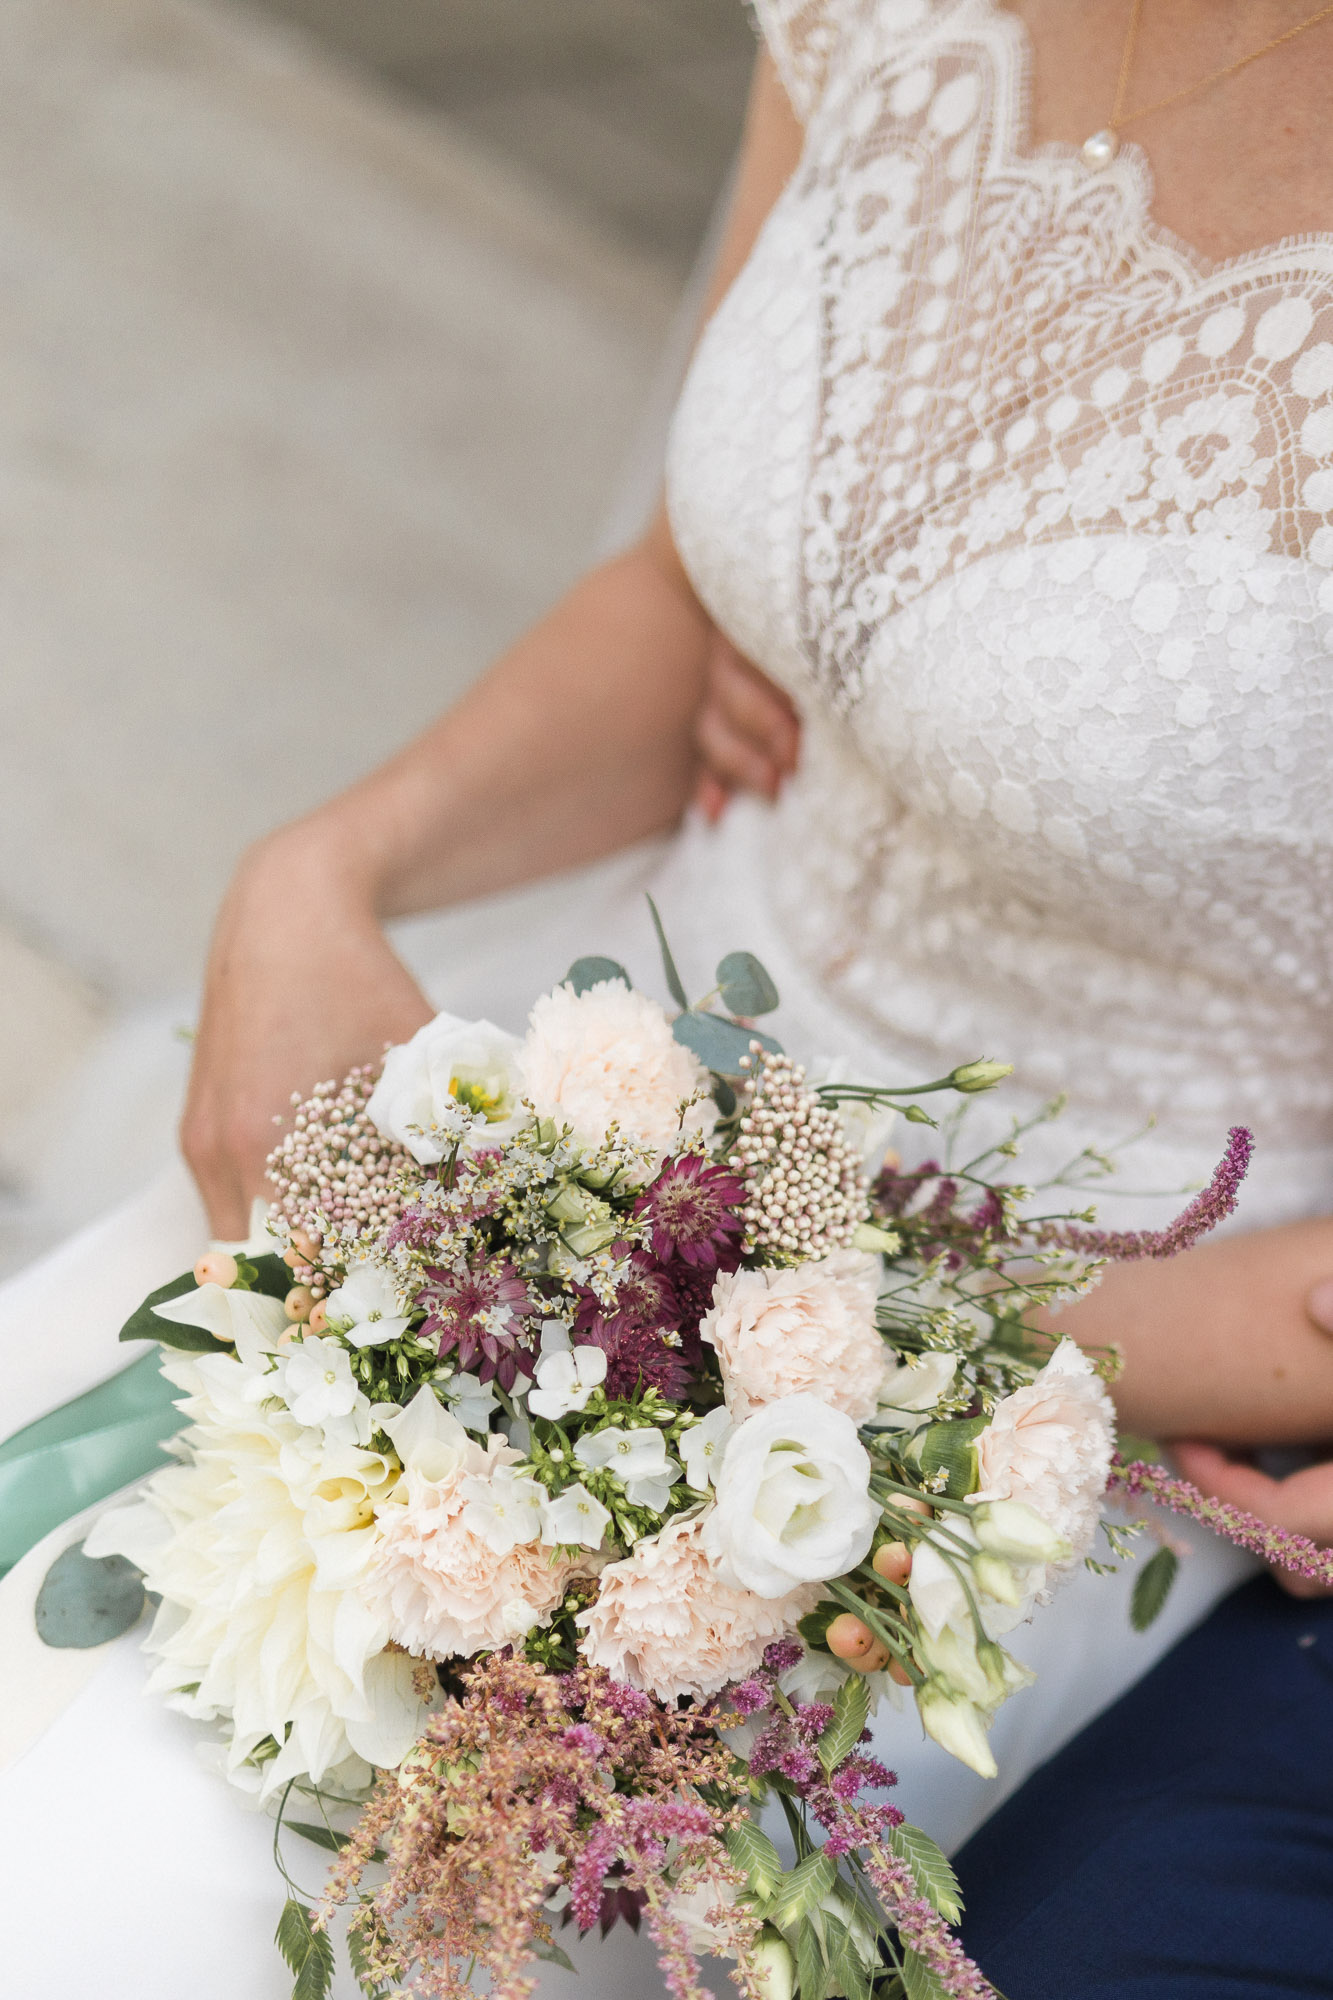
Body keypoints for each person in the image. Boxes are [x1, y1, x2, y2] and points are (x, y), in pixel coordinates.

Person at [5, 1, 1333, 1991]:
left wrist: (757, 1310)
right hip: (574, 1081)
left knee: (147, 1908)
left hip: (1039, 1388)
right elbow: (692, 588)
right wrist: (322, 872)